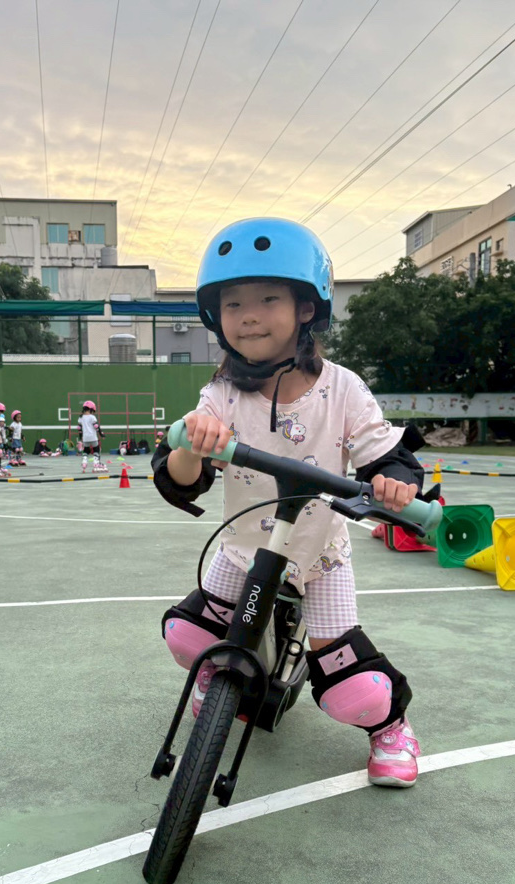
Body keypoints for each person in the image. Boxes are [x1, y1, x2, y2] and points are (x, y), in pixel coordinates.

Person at [152, 217, 428, 788]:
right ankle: (218, 680)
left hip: (319, 553)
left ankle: (391, 728)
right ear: (216, 316)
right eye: (233, 304)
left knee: (354, 689)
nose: (248, 315)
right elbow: (183, 479)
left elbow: (385, 455)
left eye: (268, 299)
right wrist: (192, 443)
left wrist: (395, 483)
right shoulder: (221, 394)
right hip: (243, 548)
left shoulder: (342, 387)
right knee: (188, 636)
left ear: (306, 308)